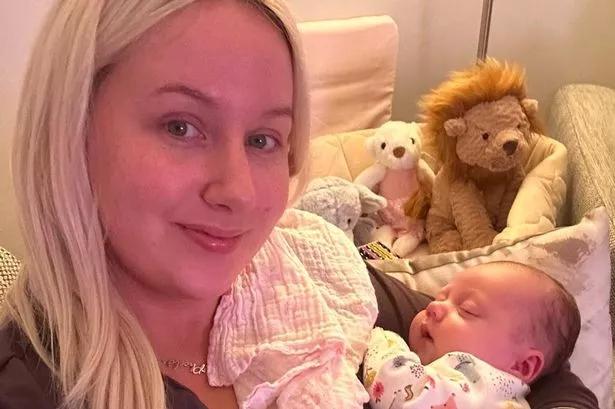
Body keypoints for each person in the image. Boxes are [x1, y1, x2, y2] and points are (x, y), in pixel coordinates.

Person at [0, 0, 599, 408]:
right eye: (181, 126)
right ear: (72, 128)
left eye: (264, 139)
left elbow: (544, 367)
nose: (238, 191)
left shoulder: (301, 269)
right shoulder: (34, 386)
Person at [363, 262, 583, 409]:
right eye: (440, 298)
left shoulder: (480, 385)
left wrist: (380, 340)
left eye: (467, 310)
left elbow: (405, 396)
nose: (433, 307)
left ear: (522, 366)